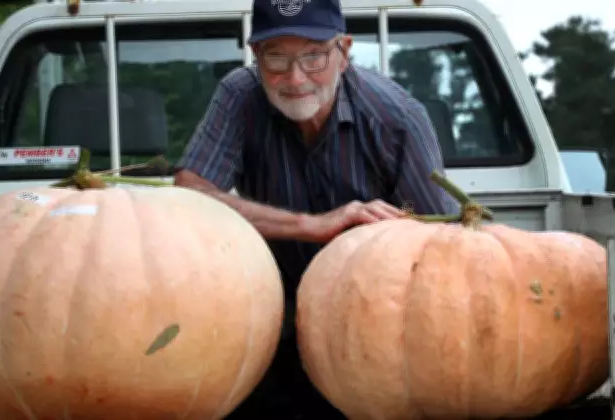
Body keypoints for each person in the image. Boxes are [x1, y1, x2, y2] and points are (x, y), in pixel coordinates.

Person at [174, 0, 459, 417]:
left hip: (370, 331)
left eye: (314, 56)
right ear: (256, 55)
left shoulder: (398, 119)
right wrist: (311, 225)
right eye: (277, 58)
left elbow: (441, 245)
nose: (295, 78)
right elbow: (190, 196)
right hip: (269, 320)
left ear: (344, 51)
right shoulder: (240, 95)